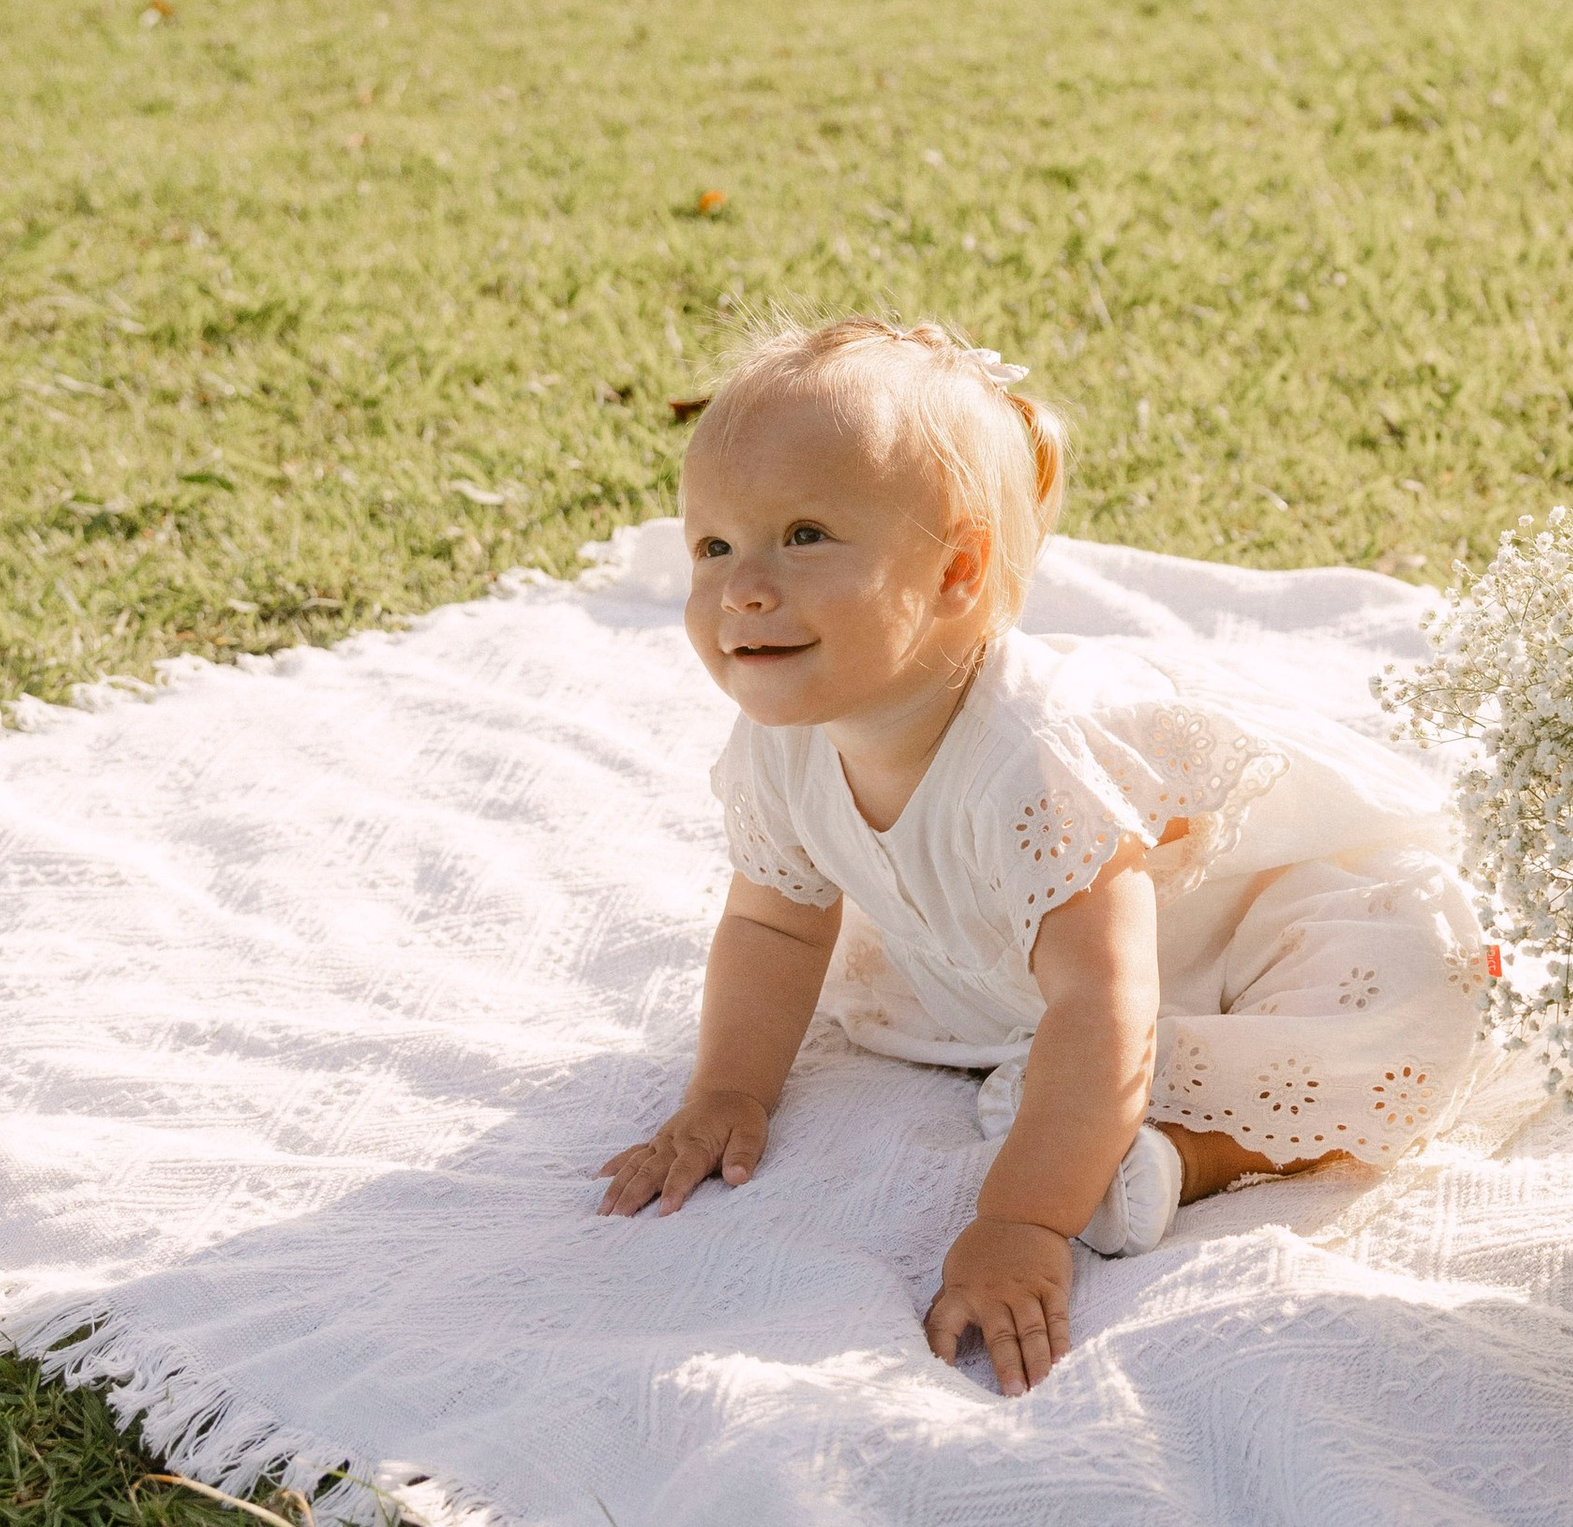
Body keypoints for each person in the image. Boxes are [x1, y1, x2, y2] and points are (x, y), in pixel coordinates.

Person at [597, 315, 1486, 1392]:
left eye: (804, 536)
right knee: (1017, 1034)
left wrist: (1022, 1219)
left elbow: (1102, 1004)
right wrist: (728, 1091)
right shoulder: (781, 740)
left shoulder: (1034, 761)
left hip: (1247, 931)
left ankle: (1193, 1152)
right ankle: (1092, 1114)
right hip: (1043, 985)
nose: (743, 588)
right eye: (712, 547)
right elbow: (773, 922)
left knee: (1407, 998)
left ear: (958, 570)